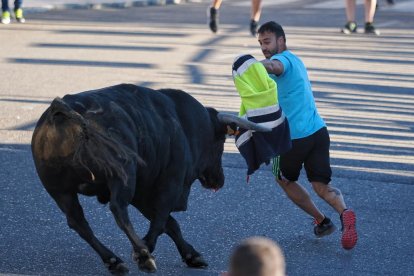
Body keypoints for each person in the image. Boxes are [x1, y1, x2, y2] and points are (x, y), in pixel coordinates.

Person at [257, 21, 358, 250]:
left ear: (281, 40)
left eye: (267, 41)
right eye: (261, 43)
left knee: (281, 177)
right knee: (322, 186)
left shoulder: (282, 61)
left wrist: (252, 66)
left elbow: (274, 66)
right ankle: (345, 212)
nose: (264, 47)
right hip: (319, 132)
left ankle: (322, 220)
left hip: (294, 140)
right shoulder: (297, 60)